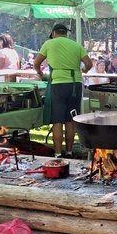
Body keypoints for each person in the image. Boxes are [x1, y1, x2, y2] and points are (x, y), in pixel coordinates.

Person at [33, 23, 93, 158]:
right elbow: (89, 64)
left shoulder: (49, 43)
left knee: (58, 120)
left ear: (54, 33)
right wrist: (83, 70)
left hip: (58, 85)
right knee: (71, 120)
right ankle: (70, 152)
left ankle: (58, 153)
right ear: (66, 33)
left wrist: (40, 73)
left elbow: (36, 63)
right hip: (75, 85)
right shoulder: (76, 45)